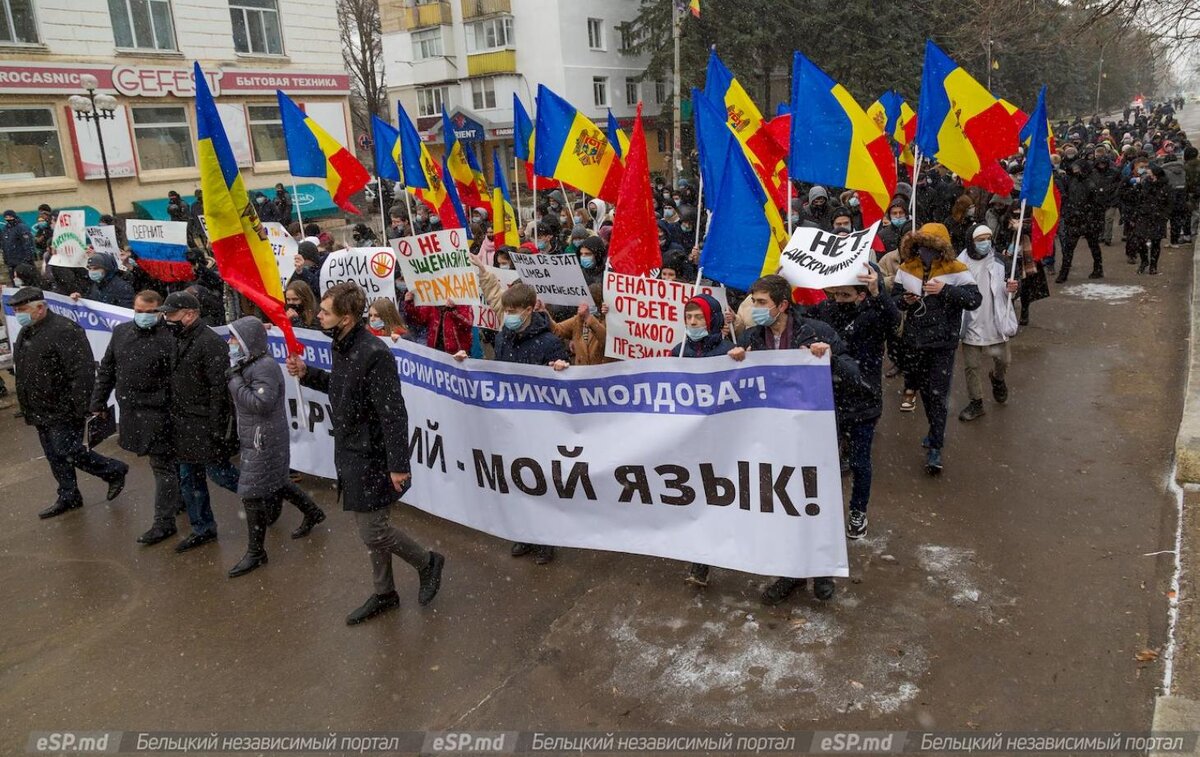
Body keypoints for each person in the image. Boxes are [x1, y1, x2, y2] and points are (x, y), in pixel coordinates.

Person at [287, 282, 444, 625]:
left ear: (345, 318)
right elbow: (341, 388)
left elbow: (393, 413)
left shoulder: (374, 353)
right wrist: (308, 374)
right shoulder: (342, 346)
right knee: (374, 528)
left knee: (374, 531)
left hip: (371, 455)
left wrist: (398, 465)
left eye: (326, 312)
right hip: (350, 451)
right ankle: (384, 592)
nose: (320, 316)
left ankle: (427, 562)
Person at [728, 274, 862, 604]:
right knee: (783, 504)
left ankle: (822, 570)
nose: (755, 309)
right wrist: (734, 362)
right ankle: (791, 573)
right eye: (753, 302)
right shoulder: (752, 339)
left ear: (783, 305)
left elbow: (854, 374)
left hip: (813, 436)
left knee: (816, 501)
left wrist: (827, 358)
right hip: (774, 439)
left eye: (761, 303)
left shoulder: (816, 332)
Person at [456, 283, 569, 563]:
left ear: (529, 310)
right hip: (509, 422)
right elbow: (495, 371)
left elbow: (566, 387)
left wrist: (562, 371)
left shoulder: (550, 343)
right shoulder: (505, 336)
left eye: (513, 311)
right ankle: (525, 534)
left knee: (540, 483)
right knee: (517, 480)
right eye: (506, 311)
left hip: (539, 425)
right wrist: (467, 364)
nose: (508, 315)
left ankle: (546, 540)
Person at [12, 287, 128, 519]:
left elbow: (81, 373)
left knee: (67, 450)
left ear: (40, 308)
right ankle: (68, 494)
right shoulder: (27, 332)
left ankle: (113, 470)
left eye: (22, 310)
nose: (19, 315)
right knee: (54, 455)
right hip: (39, 407)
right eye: (16, 310)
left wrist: (80, 407)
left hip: (62, 407)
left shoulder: (64, 330)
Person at [225, 316, 326, 577]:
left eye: (234, 337)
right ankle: (312, 511)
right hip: (259, 436)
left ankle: (256, 552)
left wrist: (234, 382)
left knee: (251, 492)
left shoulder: (264, 367)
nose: (230, 342)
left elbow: (262, 403)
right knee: (277, 481)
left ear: (247, 341)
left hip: (264, 438)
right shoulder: (249, 363)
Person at [808, 263, 898, 540]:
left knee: (860, 462)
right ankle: (821, 511)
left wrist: (877, 291)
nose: (839, 301)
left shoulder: (875, 314)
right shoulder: (826, 311)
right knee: (822, 461)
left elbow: (894, 320)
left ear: (861, 295)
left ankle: (858, 511)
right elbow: (798, 317)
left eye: (846, 296)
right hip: (828, 398)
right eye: (836, 295)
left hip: (863, 398)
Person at [891, 223, 982, 474]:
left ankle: (936, 447)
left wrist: (945, 291)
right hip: (915, 342)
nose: (926, 252)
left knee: (938, 395)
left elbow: (974, 300)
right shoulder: (906, 268)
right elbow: (894, 301)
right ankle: (934, 433)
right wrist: (905, 300)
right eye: (922, 247)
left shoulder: (956, 270)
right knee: (927, 395)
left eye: (931, 248)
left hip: (943, 344)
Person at [90, 290, 179, 544]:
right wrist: (98, 402)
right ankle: (176, 500)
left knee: (162, 465)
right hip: (132, 411)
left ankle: (164, 522)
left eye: (149, 312)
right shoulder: (121, 333)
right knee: (162, 464)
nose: (142, 317)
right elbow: (107, 369)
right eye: (138, 311)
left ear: (159, 312)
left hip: (160, 412)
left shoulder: (170, 337)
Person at [669, 293, 735, 588]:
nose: (693, 323)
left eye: (699, 318)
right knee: (696, 496)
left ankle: (710, 556)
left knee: (718, 496)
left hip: (720, 438)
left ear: (713, 320)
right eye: (688, 318)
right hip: (688, 438)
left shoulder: (728, 352)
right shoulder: (677, 352)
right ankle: (700, 558)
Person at [160, 291, 231, 552]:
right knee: (189, 478)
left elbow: (218, 389)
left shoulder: (209, 342)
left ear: (190, 315)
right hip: (183, 423)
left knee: (222, 475)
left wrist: (217, 427)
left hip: (203, 423)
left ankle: (267, 497)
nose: (167, 319)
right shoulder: (176, 338)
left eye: (172, 314)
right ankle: (202, 527)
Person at [957, 226, 1019, 422]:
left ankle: (998, 379)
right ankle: (976, 402)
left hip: (995, 320)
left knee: (1004, 361)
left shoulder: (1001, 261)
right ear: (971, 241)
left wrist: (1013, 289)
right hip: (972, 322)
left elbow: (1010, 291)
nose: (985, 243)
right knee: (972, 366)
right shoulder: (959, 264)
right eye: (980, 239)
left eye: (988, 238)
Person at [1056, 154, 1105, 282]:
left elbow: (1098, 202)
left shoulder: (1092, 180)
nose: (1075, 169)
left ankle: (1098, 269)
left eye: (1077, 167)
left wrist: (1094, 218)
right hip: (1075, 218)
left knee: (1093, 246)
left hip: (1088, 219)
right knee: (1069, 248)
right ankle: (1063, 273)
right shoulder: (1072, 179)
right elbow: (1065, 191)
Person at [1124, 162, 1172, 274]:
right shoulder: (1145, 185)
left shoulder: (1166, 187)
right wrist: (1136, 214)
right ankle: (1144, 261)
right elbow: (1139, 200)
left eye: (1150, 174)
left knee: (1156, 242)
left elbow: (1169, 203)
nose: (1148, 176)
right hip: (1144, 215)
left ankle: (1153, 265)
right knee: (1140, 240)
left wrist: (1164, 216)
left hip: (1158, 217)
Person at [547, 282, 608, 366]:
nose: (588, 306)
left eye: (593, 302)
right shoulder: (578, 320)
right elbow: (557, 330)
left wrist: (589, 318)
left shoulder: (608, 320)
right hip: (581, 374)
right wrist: (544, 312)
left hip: (601, 374)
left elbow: (606, 341)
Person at [2, 209, 36, 283]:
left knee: (27, 282)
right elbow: (4, 245)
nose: (8, 219)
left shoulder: (21, 227)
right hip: (11, 262)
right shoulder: (5, 229)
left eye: (10, 217)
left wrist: (27, 259)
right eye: (6, 217)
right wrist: (6, 259)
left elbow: (28, 243)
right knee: (15, 283)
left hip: (22, 262)